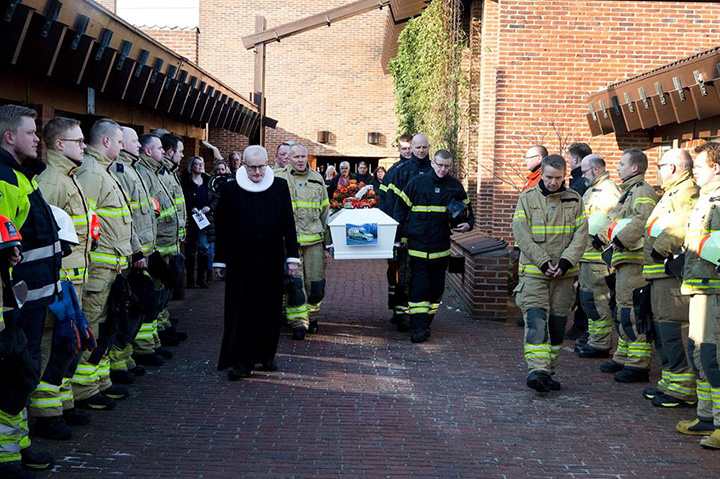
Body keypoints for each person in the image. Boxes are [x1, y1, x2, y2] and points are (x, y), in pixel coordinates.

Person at [0, 104, 60, 476]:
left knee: (22, 375)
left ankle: (18, 446)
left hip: (32, 297)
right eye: (30, 133)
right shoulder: (5, 179)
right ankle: (6, 458)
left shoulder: (23, 176)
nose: (38, 139)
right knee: (11, 377)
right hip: (14, 302)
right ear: (9, 137)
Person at [31, 117, 94, 441]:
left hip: (74, 279)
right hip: (60, 282)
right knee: (50, 346)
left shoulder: (70, 177)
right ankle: (45, 415)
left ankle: (63, 404)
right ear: (59, 145)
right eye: (78, 141)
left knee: (67, 346)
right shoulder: (53, 180)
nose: (84, 146)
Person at [214, 145, 299, 380]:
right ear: (244, 165)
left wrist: (292, 257)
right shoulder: (231, 190)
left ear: (267, 165)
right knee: (242, 309)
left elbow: (288, 224)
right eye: (253, 168)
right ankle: (241, 361)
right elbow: (223, 228)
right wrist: (219, 261)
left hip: (271, 258)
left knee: (270, 308)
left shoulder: (279, 187)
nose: (258, 173)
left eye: (262, 167)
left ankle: (266, 355)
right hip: (240, 260)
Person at [512, 154, 587, 393]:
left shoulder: (575, 200)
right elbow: (521, 234)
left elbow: (581, 235)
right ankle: (537, 369)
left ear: (564, 175)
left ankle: (548, 370)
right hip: (535, 274)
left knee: (557, 325)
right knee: (536, 321)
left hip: (563, 276)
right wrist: (544, 262)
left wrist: (565, 263)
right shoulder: (527, 198)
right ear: (541, 174)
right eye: (548, 177)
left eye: (557, 178)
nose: (553, 182)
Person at [71, 118, 133, 409]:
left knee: (105, 325)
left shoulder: (104, 171)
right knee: (94, 327)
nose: (122, 147)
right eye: (120, 141)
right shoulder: (92, 173)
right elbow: (83, 224)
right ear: (106, 141)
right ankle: (84, 390)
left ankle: (100, 381)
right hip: (98, 268)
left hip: (111, 268)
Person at [638, 148, 699, 408]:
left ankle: (682, 389)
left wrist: (658, 250)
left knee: (673, 331)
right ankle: (670, 382)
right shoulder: (673, 192)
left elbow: (679, 225)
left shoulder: (686, 191)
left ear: (673, 168)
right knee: (663, 331)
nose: (658, 170)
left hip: (668, 274)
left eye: (661, 164)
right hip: (657, 274)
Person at [393, 149, 473, 343]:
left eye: (447, 166)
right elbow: (400, 210)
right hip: (417, 247)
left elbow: (468, 211)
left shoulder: (455, 186)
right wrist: (401, 236)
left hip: (441, 248)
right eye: (440, 165)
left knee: (437, 289)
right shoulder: (416, 184)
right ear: (432, 164)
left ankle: (426, 322)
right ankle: (418, 327)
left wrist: (469, 224)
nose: (443, 169)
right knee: (419, 287)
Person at [599, 148, 658, 383]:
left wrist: (622, 239)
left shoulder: (642, 191)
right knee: (622, 310)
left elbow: (643, 219)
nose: (618, 167)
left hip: (634, 261)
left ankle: (638, 364)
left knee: (633, 312)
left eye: (622, 163)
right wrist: (605, 237)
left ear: (635, 167)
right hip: (623, 260)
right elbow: (615, 220)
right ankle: (623, 356)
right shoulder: (629, 192)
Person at [676, 142, 720, 447]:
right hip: (698, 285)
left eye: (700, 167)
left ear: (716, 167)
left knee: (712, 356)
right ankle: (706, 417)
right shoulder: (705, 199)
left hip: (714, 289)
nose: (695, 173)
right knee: (699, 354)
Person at [106, 127, 157, 386]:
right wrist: (136, 250)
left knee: (132, 310)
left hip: (138, 248)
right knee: (123, 311)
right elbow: (126, 219)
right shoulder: (120, 170)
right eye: (134, 141)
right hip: (125, 254)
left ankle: (124, 359)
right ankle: (118, 362)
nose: (139, 145)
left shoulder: (132, 168)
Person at [274, 142, 330, 340]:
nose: (300, 160)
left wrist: (328, 243)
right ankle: (298, 324)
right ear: (288, 158)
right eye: (296, 157)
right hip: (289, 244)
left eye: (302, 157)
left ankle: (312, 318)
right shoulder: (278, 178)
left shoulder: (317, 179)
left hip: (314, 242)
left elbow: (325, 211)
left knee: (316, 287)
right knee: (294, 286)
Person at [134, 134, 180, 365]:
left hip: (163, 245)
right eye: (160, 148)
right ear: (149, 151)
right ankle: (145, 346)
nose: (165, 152)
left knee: (161, 293)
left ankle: (153, 341)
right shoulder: (143, 172)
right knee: (151, 296)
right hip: (154, 248)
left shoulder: (154, 171)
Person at [384, 134, 433, 332]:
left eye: (424, 147)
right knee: (402, 275)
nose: (420, 151)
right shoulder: (400, 171)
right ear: (411, 148)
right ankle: (401, 312)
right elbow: (390, 204)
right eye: (417, 147)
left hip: (427, 235)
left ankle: (418, 315)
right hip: (404, 233)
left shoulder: (434, 170)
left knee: (422, 276)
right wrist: (394, 233)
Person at [574, 154, 621, 359]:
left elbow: (614, 219)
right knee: (588, 300)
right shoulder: (593, 190)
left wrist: (598, 239)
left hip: (598, 259)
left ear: (595, 170)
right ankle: (594, 339)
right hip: (587, 256)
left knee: (598, 301)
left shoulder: (608, 191)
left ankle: (600, 344)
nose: (582, 176)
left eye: (584, 171)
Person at [380, 134, 413, 329]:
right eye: (404, 149)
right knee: (395, 269)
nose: (408, 152)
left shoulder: (426, 170)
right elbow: (386, 203)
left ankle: (402, 309)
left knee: (407, 271)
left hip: (415, 232)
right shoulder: (393, 173)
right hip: (397, 231)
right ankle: (397, 308)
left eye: (410, 148)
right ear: (399, 150)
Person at [158, 133, 186, 341]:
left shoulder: (170, 172)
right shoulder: (161, 174)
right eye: (181, 151)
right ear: (170, 152)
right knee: (160, 288)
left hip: (171, 241)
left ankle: (163, 323)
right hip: (162, 243)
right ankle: (158, 329)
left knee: (166, 287)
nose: (183, 155)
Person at [564, 142, 593, 341]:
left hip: (585, 248)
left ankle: (582, 326)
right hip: (581, 246)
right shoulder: (580, 182)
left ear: (575, 159)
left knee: (584, 289)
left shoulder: (580, 184)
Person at [181, 156, 213, 289]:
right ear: (191, 166)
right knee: (190, 251)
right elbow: (183, 199)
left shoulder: (208, 181)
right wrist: (191, 208)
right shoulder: (186, 182)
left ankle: (201, 279)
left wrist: (209, 207)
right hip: (191, 220)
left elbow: (216, 196)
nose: (201, 166)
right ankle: (190, 280)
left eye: (202, 164)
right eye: (198, 164)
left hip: (204, 220)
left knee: (204, 249)